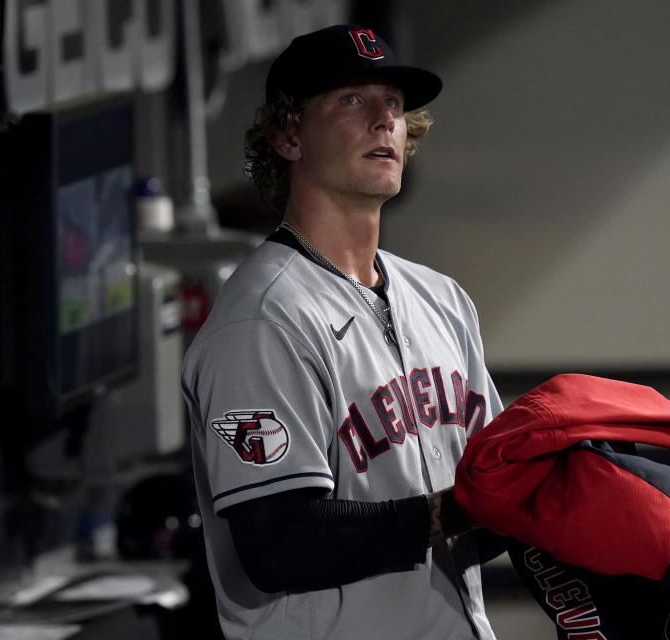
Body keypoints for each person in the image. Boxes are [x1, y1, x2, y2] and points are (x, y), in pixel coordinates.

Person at [182, 24, 502, 640]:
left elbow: (485, 512)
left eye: (395, 103)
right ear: (288, 135)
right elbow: (277, 543)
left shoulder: (441, 299)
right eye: (351, 99)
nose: (385, 118)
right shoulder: (262, 318)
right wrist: (452, 511)